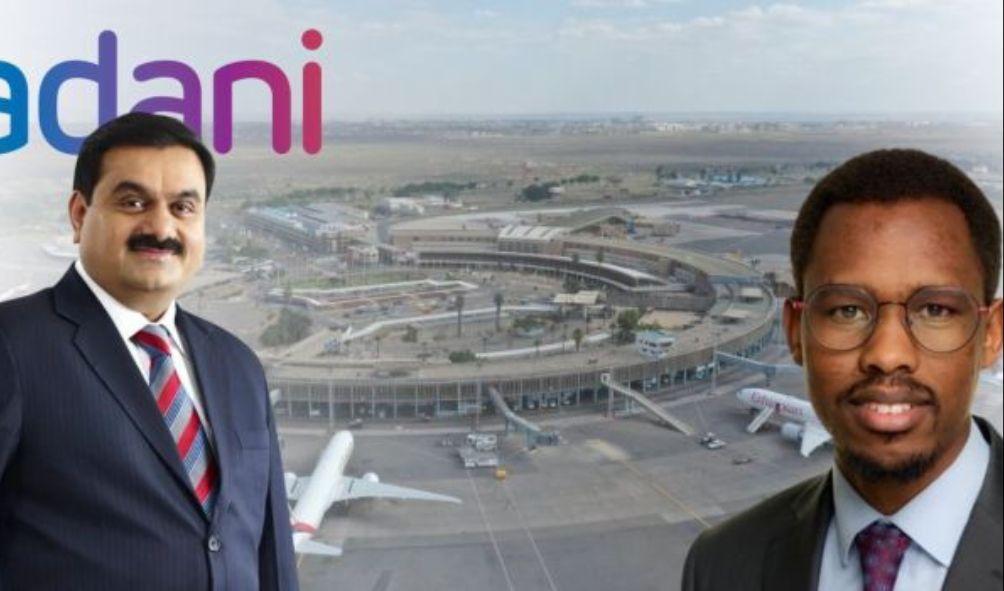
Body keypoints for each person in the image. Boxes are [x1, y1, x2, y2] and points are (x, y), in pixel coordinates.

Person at [0, 113, 298, 590]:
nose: (160, 227)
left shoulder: (237, 364)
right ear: (80, 214)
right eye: (133, 202)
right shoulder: (12, 346)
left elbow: (272, 560)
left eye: (183, 208)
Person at [682, 149, 1003, 591]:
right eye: (848, 310)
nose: (888, 355)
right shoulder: (721, 565)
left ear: (991, 334)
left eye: (935, 309)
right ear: (796, 332)